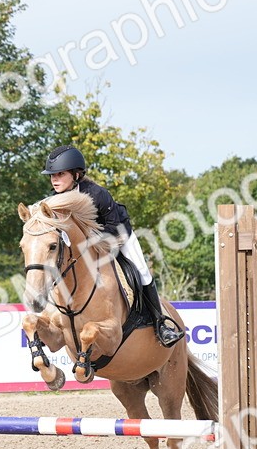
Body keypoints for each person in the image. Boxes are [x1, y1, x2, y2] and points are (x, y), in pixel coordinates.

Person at [41, 144, 183, 347]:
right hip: (82, 247)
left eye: (60, 174)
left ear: (76, 174)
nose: (54, 180)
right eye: (52, 175)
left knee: (142, 271)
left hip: (118, 235)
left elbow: (115, 227)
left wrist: (89, 241)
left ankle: (160, 324)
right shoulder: (54, 201)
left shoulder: (97, 194)